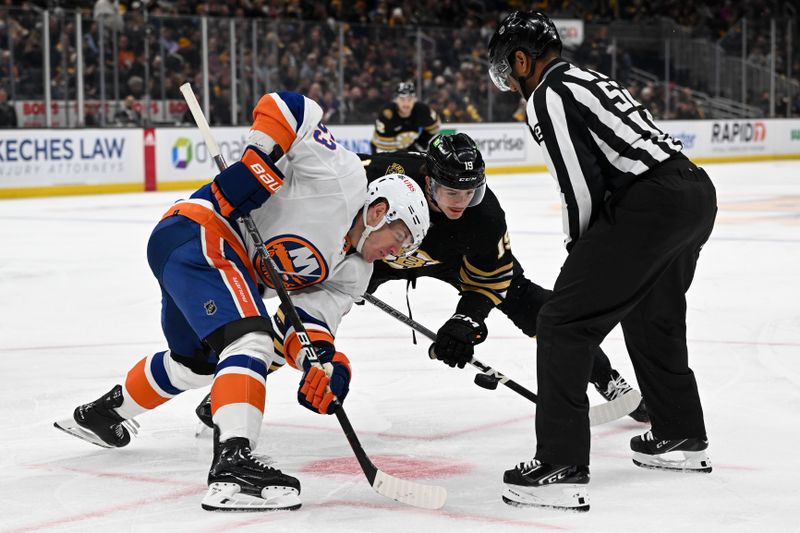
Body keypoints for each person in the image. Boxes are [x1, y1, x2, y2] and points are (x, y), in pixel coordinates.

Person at [54, 91, 430, 512]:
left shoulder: (353, 272)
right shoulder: (342, 179)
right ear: (379, 210)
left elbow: (303, 326)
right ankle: (234, 464)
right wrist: (259, 161)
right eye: (398, 239)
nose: (395, 254)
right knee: (248, 341)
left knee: (195, 363)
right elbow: (291, 107)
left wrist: (322, 365)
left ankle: (103, 415)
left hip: (201, 260)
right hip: (202, 229)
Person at [488, 11, 717, 511]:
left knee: (563, 323)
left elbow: (579, 184)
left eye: (507, 68)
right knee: (653, 316)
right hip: (693, 193)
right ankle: (680, 433)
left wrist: (581, 253)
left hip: (649, 205)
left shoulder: (547, 93)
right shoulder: (589, 77)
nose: (508, 80)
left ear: (523, 59)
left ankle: (561, 464)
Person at [360, 133, 648, 421]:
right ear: (429, 183)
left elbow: (490, 279)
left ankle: (606, 378)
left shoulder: (484, 217)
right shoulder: (384, 175)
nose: (462, 202)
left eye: (470, 192)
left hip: (455, 259)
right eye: (453, 193)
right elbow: (329, 187)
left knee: (534, 306)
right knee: (323, 292)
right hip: (380, 253)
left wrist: (466, 321)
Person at [371, 81, 440, 153]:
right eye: (402, 99)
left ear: (414, 100)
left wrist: (420, 144)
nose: (406, 103)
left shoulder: (423, 110)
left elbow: (434, 129)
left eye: (409, 99)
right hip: (383, 150)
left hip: (409, 150)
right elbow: (382, 147)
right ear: (396, 100)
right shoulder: (387, 115)